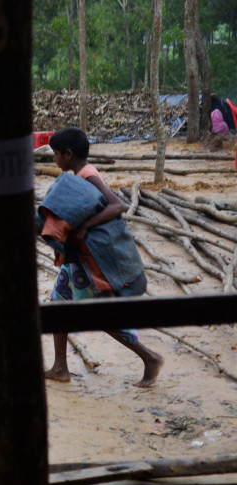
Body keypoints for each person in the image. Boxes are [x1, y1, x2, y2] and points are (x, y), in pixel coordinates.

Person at [39, 126, 164, 388]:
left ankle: (149, 357)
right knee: (59, 304)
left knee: (99, 315)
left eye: (56, 155)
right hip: (79, 259)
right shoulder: (79, 175)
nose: (55, 160)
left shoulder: (87, 176)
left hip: (91, 260)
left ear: (68, 154)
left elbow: (117, 205)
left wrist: (85, 226)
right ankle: (60, 367)